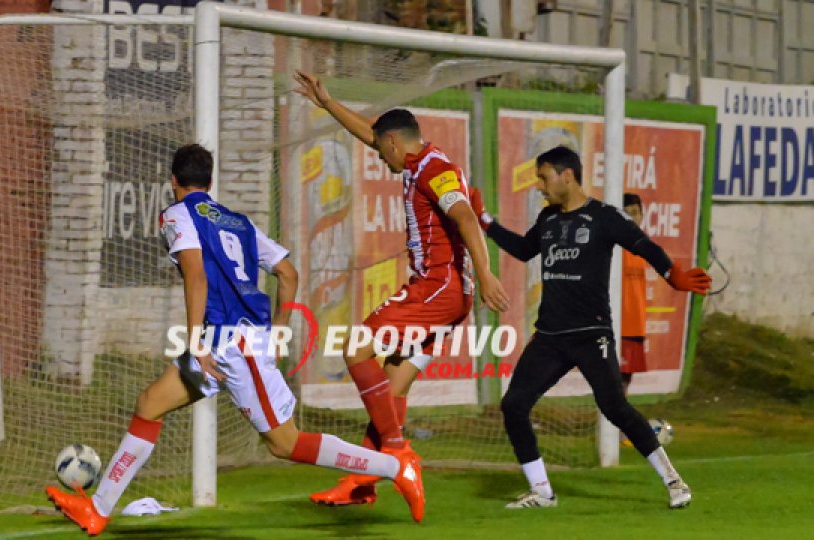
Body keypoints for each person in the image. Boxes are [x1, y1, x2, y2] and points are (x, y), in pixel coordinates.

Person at [45, 144, 425, 536]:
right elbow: (288, 273)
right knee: (150, 404)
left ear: (173, 181)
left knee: (285, 443)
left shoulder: (177, 215)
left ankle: (396, 466)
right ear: (210, 182)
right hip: (223, 343)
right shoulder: (239, 222)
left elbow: (196, 275)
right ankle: (97, 510)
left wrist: (196, 342)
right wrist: (279, 329)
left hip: (235, 345)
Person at [293, 71, 510, 507]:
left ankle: (397, 452)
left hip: (439, 287)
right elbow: (370, 134)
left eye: (381, 149)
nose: (378, 157)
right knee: (389, 395)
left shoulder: (436, 170)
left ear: (394, 142)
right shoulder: (415, 160)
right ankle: (362, 484)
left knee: (356, 348)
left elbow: (466, 217)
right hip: (447, 293)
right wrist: (328, 104)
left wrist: (487, 273)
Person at [470, 146, 710, 509]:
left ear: (567, 176)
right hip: (550, 336)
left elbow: (644, 246)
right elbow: (523, 249)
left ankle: (674, 481)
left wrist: (672, 274)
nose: (539, 186)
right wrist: (485, 222)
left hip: (590, 333)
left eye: (544, 177)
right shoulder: (548, 218)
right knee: (514, 404)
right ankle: (542, 492)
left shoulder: (603, 217)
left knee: (614, 407)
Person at [621, 193, 648, 396]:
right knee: (614, 379)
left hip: (635, 322)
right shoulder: (613, 246)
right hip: (617, 324)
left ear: (642, 215)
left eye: (635, 213)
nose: (632, 218)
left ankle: (617, 414)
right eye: (626, 214)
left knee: (626, 378)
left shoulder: (643, 246)